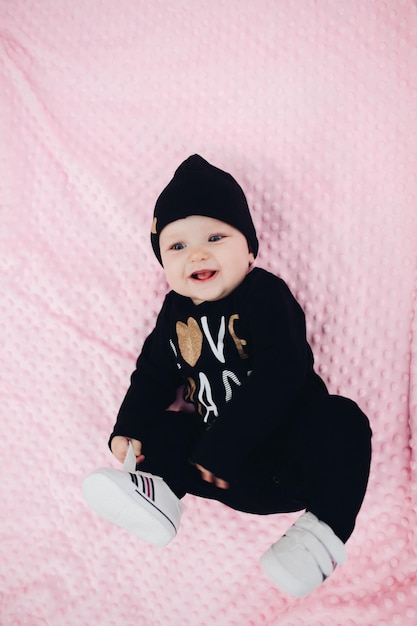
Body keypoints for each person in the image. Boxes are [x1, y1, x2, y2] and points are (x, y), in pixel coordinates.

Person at [82, 154, 372, 597]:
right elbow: (152, 374)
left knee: (344, 422)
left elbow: (284, 370)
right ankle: (158, 495)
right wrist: (129, 429)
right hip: (214, 470)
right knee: (163, 428)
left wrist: (225, 445)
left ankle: (316, 541)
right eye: (176, 247)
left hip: (286, 459)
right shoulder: (174, 315)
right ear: (163, 264)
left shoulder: (264, 295)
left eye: (215, 237)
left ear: (250, 249)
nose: (197, 253)